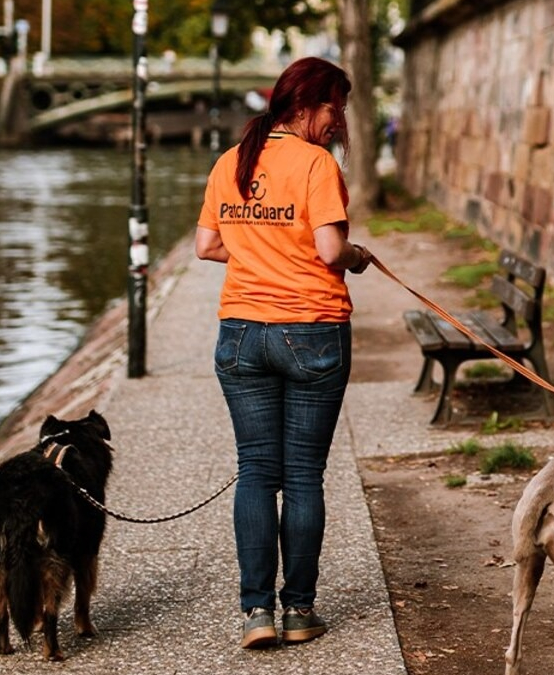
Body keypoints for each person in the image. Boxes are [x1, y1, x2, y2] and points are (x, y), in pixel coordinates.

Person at [195, 56, 372, 650]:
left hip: (241, 335)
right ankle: (297, 610)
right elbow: (328, 250)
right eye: (335, 108)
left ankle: (255, 614)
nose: (338, 120)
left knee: (255, 472)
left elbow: (206, 246)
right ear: (307, 105)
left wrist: (258, 255)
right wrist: (356, 256)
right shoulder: (316, 164)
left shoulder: (231, 162)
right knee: (301, 476)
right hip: (312, 331)